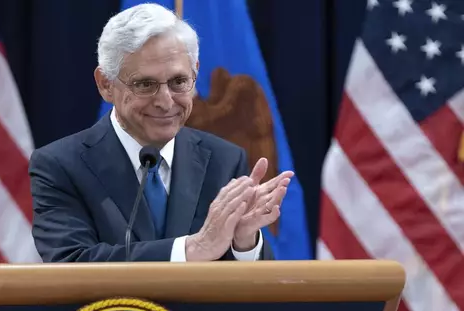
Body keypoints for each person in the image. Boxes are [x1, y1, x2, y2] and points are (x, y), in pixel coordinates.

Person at [28, 3, 293, 263]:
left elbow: (248, 290)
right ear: (106, 84)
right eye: (145, 84)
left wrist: (243, 241)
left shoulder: (224, 160)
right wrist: (192, 249)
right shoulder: (60, 166)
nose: (166, 101)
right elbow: (73, 262)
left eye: (179, 82)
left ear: (195, 73)